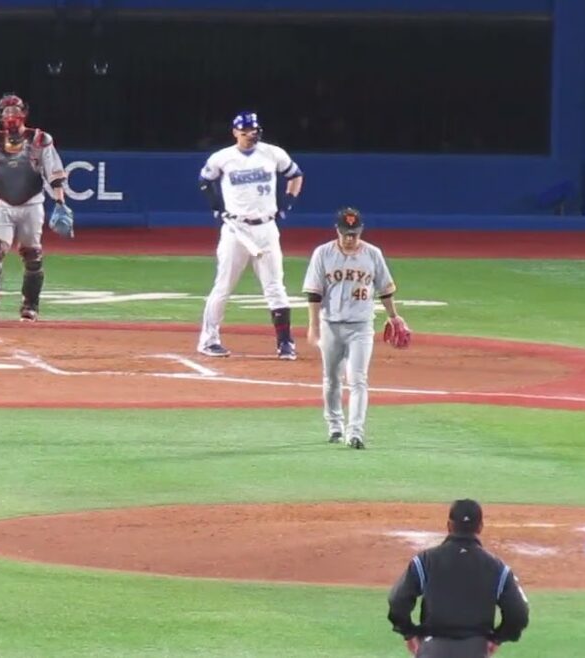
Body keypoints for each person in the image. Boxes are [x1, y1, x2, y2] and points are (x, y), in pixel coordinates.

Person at [196, 111, 304, 360]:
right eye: (244, 131)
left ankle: (285, 343)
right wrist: (216, 206)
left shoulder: (273, 153)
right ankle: (209, 340)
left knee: (275, 286)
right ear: (235, 132)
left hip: (266, 228)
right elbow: (204, 180)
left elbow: (295, 175)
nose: (249, 135)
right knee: (223, 285)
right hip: (236, 229)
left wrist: (287, 203)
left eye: (253, 131)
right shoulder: (223, 157)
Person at [301, 207, 410, 448]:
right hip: (330, 326)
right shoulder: (323, 253)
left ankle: (356, 432)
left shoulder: (373, 254)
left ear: (360, 231)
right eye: (345, 233)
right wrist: (313, 326)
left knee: (358, 379)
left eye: (354, 233)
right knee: (332, 378)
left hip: (361, 327)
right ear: (337, 230)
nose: (350, 238)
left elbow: (385, 290)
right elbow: (314, 294)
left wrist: (394, 316)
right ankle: (334, 425)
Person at [0, 92, 74, 322]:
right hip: (2, 204)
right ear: (0, 115)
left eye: (15, 110)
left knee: (32, 254)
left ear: (23, 113)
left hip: (31, 204)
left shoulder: (40, 140)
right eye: (7, 111)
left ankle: (30, 306)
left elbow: (53, 171)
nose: (11, 115)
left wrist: (60, 202)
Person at [387, 500, 530, 658]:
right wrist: (498, 638)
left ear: (449, 525)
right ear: (480, 527)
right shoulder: (497, 568)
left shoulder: (425, 561)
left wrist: (408, 632)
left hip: (432, 649)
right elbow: (519, 614)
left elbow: (397, 600)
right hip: (475, 650)